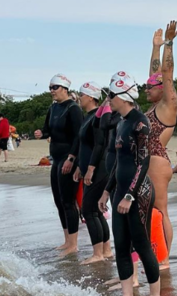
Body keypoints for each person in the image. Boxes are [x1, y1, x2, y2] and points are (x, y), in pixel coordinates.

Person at [98, 72, 161, 296]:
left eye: (111, 95)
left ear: (124, 96)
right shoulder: (121, 122)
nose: (109, 100)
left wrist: (129, 195)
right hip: (121, 191)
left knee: (142, 244)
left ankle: (155, 295)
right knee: (121, 244)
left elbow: (143, 163)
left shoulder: (140, 122)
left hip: (139, 192)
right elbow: (117, 163)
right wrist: (107, 191)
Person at [34, 74, 84, 255]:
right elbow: (48, 128)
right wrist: (41, 132)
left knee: (68, 201)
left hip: (69, 157)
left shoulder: (73, 109)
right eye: (50, 88)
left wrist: (72, 158)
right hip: (56, 158)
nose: (51, 92)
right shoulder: (54, 108)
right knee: (58, 201)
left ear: (64, 88)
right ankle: (66, 240)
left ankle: (74, 243)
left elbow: (80, 136)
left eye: (54, 88)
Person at [145, 20, 177, 269]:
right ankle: (154, 251)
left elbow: (166, 74)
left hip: (157, 162)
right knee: (148, 212)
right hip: (146, 161)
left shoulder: (168, 105)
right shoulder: (153, 107)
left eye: (150, 87)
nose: (146, 89)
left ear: (163, 89)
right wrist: (155, 48)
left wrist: (168, 44)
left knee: (160, 211)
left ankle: (165, 258)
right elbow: (156, 73)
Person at [72, 81, 113, 265]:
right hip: (93, 166)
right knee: (95, 210)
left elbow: (99, 144)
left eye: (81, 95)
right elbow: (86, 145)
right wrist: (80, 166)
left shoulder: (97, 117)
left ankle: (98, 253)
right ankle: (106, 250)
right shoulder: (89, 117)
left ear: (90, 97)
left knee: (89, 211)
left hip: (99, 167)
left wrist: (90, 168)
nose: (79, 98)